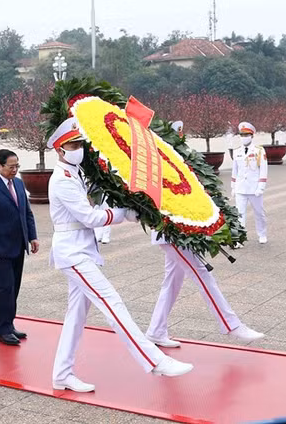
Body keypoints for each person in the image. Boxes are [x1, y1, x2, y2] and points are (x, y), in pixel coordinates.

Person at [47, 118, 192, 393]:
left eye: (80, 143)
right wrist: (123, 214)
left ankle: (62, 374)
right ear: (59, 149)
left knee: (75, 315)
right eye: (72, 144)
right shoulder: (62, 180)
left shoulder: (75, 173)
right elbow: (89, 217)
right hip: (73, 253)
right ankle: (154, 360)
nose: (78, 148)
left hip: (81, 251)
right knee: (112, 302)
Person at [145, 232, 264, 348]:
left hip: (178, 232)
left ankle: (156, 330)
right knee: (202, 274)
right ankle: (231, 324)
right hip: (172, 234)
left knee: (172, 282)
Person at [0, 149, 39, 346]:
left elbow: (26, 213)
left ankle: (9, 324)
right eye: (11, 167)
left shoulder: (18, 184)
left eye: (16, 166)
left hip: (18, 246)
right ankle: (2, 329)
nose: (14, 170)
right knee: (5, 288)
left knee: (14, 288)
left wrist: (32, 236)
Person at [231, 122, 268, 244]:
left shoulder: (259, 151)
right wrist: (233, 186)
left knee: (259, 213)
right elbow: (235, 170)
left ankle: (262, 234)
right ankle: (239, 238)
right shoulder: (236, 152)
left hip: (254, 188)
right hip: (241, 188)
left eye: (246, 135)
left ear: (252, 136)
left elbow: (263, 170)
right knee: (239, 214)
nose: (244, 137)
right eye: (242, 135)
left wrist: (261, 187)